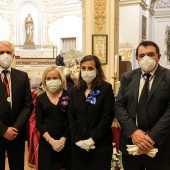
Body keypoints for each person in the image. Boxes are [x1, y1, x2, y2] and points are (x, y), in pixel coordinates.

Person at [115, 40, 170, 170]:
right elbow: (119, 106)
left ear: (158, 57)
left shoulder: (168, 77)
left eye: (150, 54)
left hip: (160, 145)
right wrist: (133, 132)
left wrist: (152, 137)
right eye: (142, 55)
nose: (146, 58)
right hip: (132, 145)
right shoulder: (127, 77)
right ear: (137, 58)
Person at [68, 55, 115, 170]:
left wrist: (92, 139)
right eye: (83, 68)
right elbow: (71, 116)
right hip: (78, 145)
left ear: (97, 70)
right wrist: (77, 139)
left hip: (100, 146)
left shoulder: (105, 88)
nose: (86, 72)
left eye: (90, 68)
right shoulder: (75, 90)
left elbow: (107, 117)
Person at [0, 40, 33, 170]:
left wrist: (15, 128)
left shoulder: (22, 77)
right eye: (1, 52)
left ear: (13, 56)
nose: (5, 55)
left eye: (8, 52)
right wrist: (3, 130)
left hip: (16, 134)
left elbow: (28, 105)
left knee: (18, 166)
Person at [35, 65, 70, 170]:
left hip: (65, 141)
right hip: (47, 142)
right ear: (44, 81)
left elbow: (71, 120)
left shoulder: (68, 96)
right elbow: (39, 123)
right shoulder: (40, 98)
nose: (52, 80)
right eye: (48, 78)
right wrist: (51, 141)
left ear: (61, 79)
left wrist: (62, 141)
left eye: (55, 78)